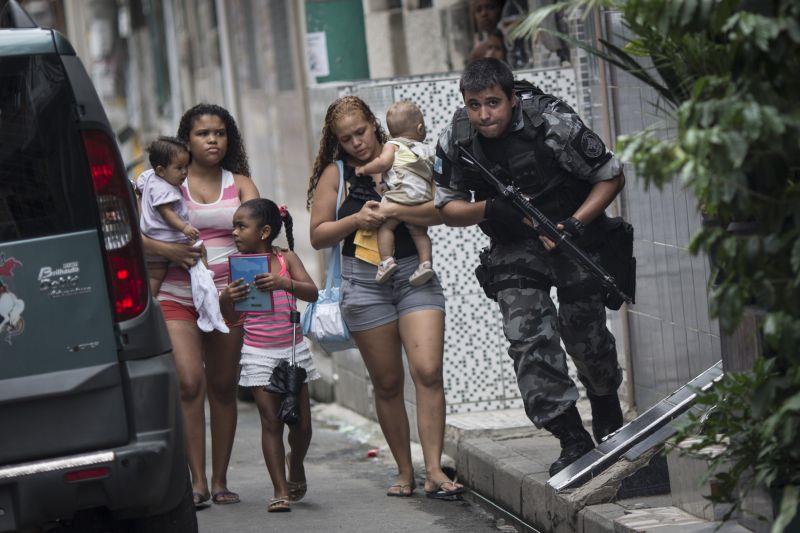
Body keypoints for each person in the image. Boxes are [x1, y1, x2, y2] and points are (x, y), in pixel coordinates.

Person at [433, 58, 626, 476]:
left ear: (512, 99)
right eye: (474, 105)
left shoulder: (551, 124)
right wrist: (490, 209)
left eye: (493, 103)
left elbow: (611, 176)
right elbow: (447, 207)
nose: (484, 115)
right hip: (514, 246)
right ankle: (571, 436)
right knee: (528, 340)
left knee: (585, 334)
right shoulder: (458, 139)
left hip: (572, 238)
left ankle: (607, 408)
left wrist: (575, 224)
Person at [307, 96, 464, 499]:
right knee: (388, 383)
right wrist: (357, 219)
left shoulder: (410, 153)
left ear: (374, 125)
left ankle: (434, 470)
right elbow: (318, 235)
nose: (356, 143)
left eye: (360, 132)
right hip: (364, 284)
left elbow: (440, 211)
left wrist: (397, 211)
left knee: (428, 371)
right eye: (346, 139)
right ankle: (404, 471)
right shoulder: (337, 174)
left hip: (414, 275)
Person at [141, 103, 260, 507]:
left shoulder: (240, 183)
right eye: (203, 133)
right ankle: (197, 483)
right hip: (177, 295)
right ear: (186, 140)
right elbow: (133, 233)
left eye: (220, 133)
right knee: (190, 382)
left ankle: (220, 480)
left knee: (223, 387)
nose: (213, 140)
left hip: (231, 296)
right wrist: (169, 252)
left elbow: (260, 236)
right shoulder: (165, 181)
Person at [220, 199, 319, 513]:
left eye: (241, 226)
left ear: (263, 232)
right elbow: (231, 318)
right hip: (257, 352)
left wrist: (283, 283)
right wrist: (226, 298)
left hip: (292, 351)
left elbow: (312, 292)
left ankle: (296, 463)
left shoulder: (285, 258)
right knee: (271, 421)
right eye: (234, 226)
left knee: (301, 425)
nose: (234, 232)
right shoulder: (237, 266)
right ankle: (280, 490)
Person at [355, 100, 436, 286]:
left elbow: (383, 163)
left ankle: (386, 261)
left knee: (385, 227)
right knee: (419, 233)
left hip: (399, 196)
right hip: (422, 198)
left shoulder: (392, 145)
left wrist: (365, 169)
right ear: (420, 128)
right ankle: (425, 263)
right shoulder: (428, 149)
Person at [135, 137, 199, 296]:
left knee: (155, 276)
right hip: (166, 238)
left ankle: (150, 300)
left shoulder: (149, 177)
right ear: (161, 171)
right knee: (199, 249)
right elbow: (167, 213)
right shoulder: (165, 189)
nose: (184, 172)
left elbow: (138, 186)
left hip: (150, 236)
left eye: (186, 166)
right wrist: (185, 227)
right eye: (179, 168)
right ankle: (204, 276)